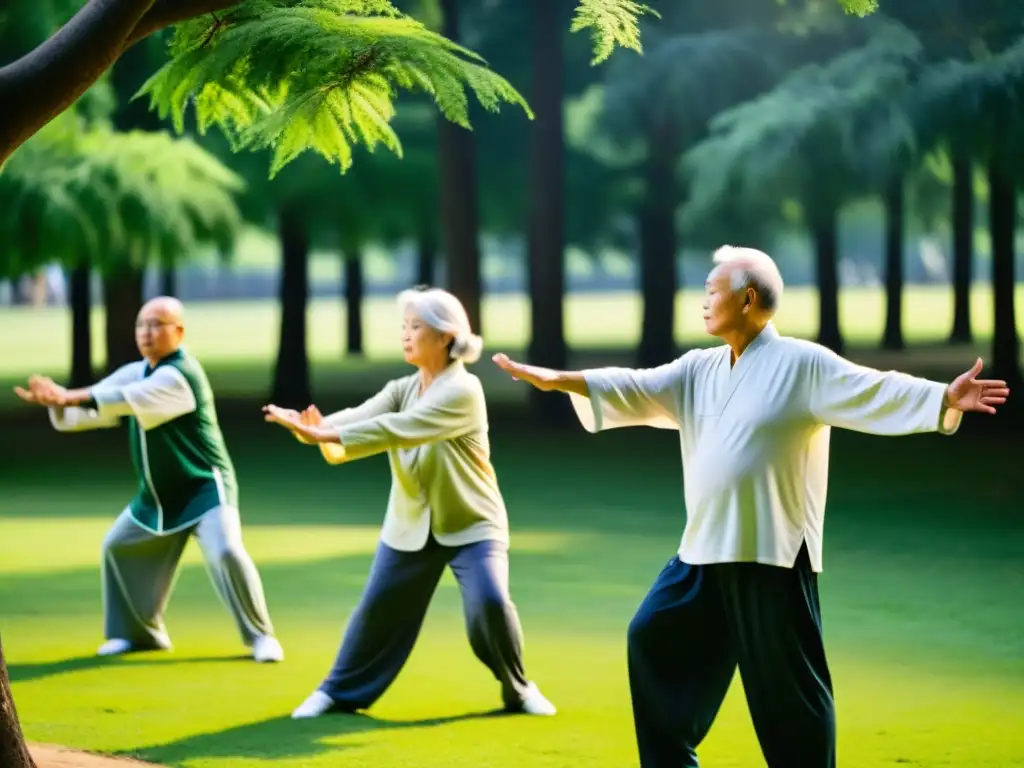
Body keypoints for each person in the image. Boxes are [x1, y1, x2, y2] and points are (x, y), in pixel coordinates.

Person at [491, 245, 1009, 768]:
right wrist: (558, 380)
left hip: (773, 557)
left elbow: (871, 388)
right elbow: (634, 385)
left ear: (748, 298)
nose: (704, 301)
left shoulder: (801, 364)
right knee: (651, 637)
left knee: (789, 698)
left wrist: (943, 397)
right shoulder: (698, 369)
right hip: (702, 553)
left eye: (713, 291)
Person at [262, 286, 556, 719]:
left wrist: (325, 434)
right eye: (404, 326)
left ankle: (518, 688)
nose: (405, 334)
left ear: (444, 336)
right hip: (409, 524)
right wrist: (311, 425)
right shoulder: (402, 387)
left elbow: (399, 428)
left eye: (415, 326)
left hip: (473, 524)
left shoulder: (464, 391)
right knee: (376, 613)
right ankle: (335, 693)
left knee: (489, 604)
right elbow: (362, 416)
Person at [13, 296, 283, 664]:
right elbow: (96, 408)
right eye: (142, 325)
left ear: (179, 332)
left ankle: (261, 637)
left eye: (157, 324)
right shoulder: (136, 370)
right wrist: (57, 402)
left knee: (227, 552)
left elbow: (123, 399)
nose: (147, 332)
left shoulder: (181, 375)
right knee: (117, 546)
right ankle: (139, 635)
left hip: (205, 488)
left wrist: (67, 395)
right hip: (158, 497)